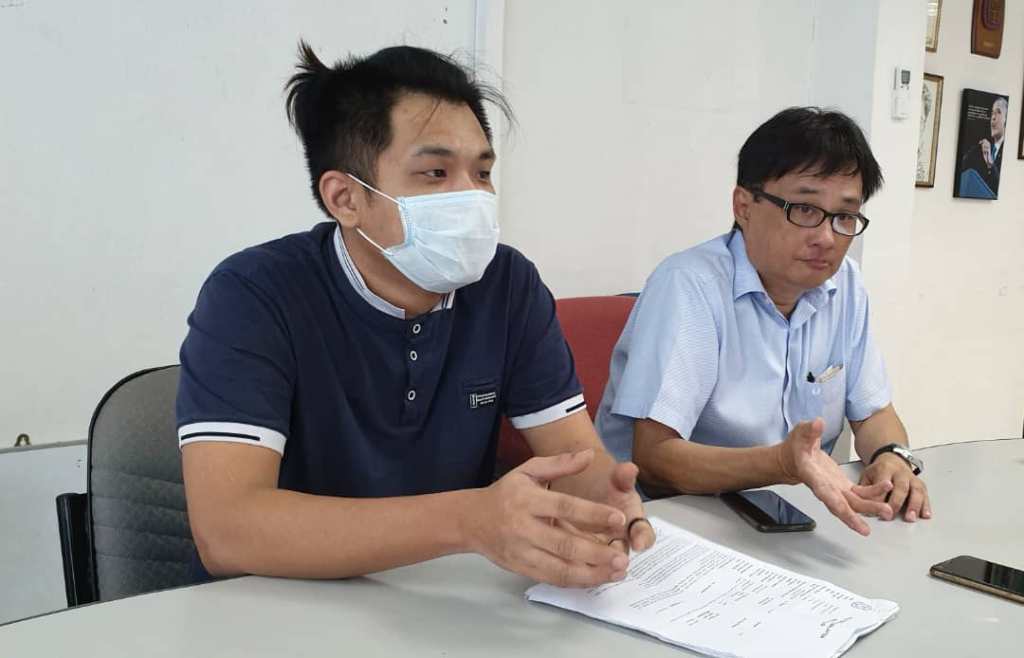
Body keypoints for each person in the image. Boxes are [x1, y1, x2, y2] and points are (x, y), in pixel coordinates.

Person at [177, 42, 654, 588]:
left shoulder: (507, 285)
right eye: (435, 172)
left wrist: (607, 502)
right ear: (345, 198)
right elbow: (227, 531)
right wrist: (469, 520)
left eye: (482, 172)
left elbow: (574, 456)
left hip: (437, 600)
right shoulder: (253, 295)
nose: (471, 196)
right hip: (272, 603)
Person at [596, 107, 932, 536]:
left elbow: (874, 412)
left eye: (844, 216)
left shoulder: (845, 284)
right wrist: (780, 463)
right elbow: (655, 458)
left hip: (783, 519)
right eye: (805, 209)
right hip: (661, 522)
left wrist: (891, 457)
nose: (826, 237)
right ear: (744, 206)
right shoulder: (689, 285)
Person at [957, 96, 1008, 198]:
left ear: (1006, 119)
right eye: (992, 113)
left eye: (998, 112)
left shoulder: (1008, 151)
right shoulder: (981, 149)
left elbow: (1003, 188)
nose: (993, 117)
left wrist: (990, 164)